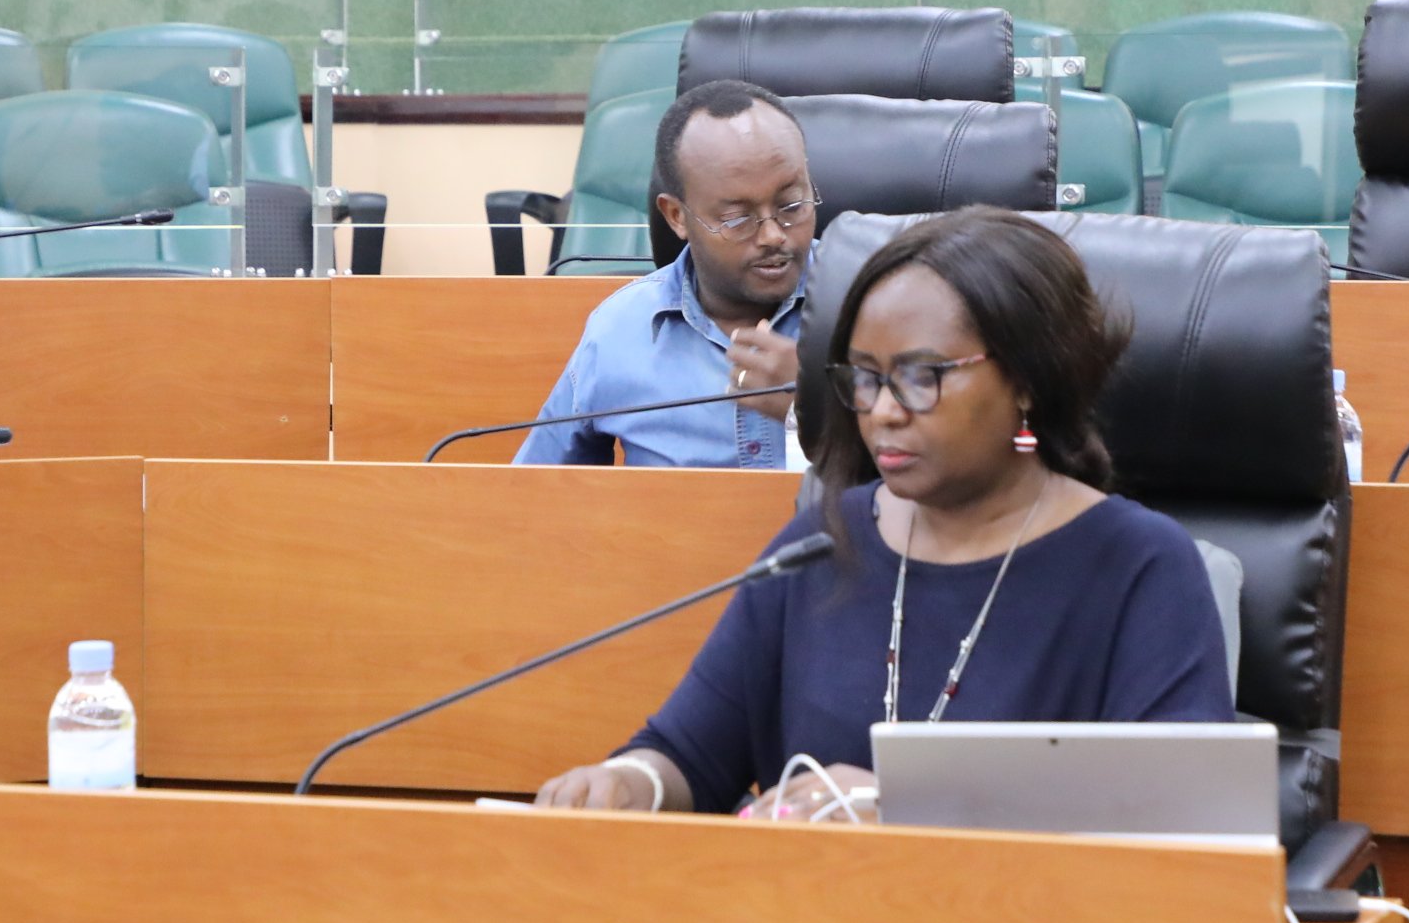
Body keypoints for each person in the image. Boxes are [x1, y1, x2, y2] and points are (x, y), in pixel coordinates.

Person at [534, 205, 1235, 820]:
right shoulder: (822, 543)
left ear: (1026, 379)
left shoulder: (1141, 569)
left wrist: (905, 810)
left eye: (922, 377)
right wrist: (628, 784)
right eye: (865, 379)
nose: (883, 411)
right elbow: (689, 752)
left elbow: (1176, 824)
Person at [517, 79, 817, 468]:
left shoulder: (869, 307)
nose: (774, 235)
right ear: (677, 216)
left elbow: (921, 475)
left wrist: (818, 407)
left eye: (792, 205)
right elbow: (536, 494)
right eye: (738, 219)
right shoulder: (620, 331)